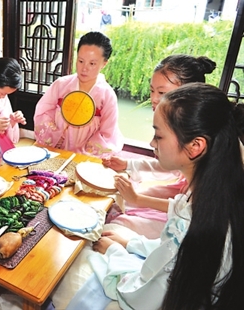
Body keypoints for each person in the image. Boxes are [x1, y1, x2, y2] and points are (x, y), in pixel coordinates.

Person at [55, 83, 244, 309]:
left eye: (158, 136)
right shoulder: (218, 190)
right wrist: (131, 243)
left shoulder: (201, 225)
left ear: (195, 147)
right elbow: (169, 248)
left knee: (67, 271)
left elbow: (144, 295)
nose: (152, 143)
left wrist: (116, 252)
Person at [103, 55, 216, 238]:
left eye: (162, 93)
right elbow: (168, 159)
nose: (154, 99)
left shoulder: (204, 139)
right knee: (124, 199)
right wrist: (128, 165)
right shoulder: (180, 121)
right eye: (152, 91)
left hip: (194, 214)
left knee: (121, 220)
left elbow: (191, 210)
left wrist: (138, 199)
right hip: (184, 195)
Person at [34, 31, 123, 156]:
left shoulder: (107, 95)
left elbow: (107, 132)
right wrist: (54, 134)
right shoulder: (61, 84)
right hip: (56, 147)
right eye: (81, 61)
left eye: (92, 63)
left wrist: (85, 152)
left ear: (104, 63)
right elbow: (43, 111)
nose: (84, 68)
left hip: (85, 155)